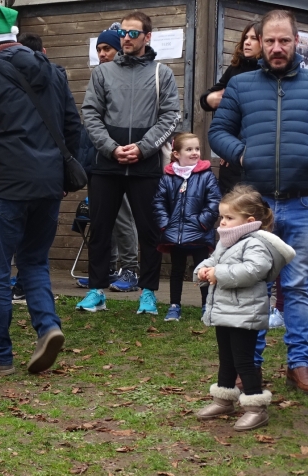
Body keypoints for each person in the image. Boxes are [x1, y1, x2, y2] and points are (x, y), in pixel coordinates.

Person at [0, 4, 82, 375]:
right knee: (34, 262)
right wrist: (62, 176)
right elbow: (73, 128)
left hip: (7, 187)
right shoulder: (55, 73)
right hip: (48, 186)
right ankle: (48, 326)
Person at [208, 9, 308, 394]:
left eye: (284, 40)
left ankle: (299, 363)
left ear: (296, 40)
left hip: (302, 203)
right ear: (260, 43)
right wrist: (244, 154)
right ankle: (247, 367)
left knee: (298, 287)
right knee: (251, 288)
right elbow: (219, 131)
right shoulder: (241, 85)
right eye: (270, 41)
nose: (277, 48)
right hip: (256, 208)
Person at [77, 11, 181, 314]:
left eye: (133, 33)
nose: (126, 38)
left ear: (147, 37)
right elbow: (90, 114)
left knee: (150, 231)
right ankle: (97, 290)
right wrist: (111, 148)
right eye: (123, 32)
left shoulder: (163, 74)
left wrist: (143, 148)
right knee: (100, 228)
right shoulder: (103, 73)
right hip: (106, 164)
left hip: (145, 165)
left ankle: (148, 293)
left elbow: (170, 117)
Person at [194, 185, 294, 431]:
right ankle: (224, 399)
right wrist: (204, 269)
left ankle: (255, 407)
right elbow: (214, 260)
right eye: (222, 217)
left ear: (249, 221)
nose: (223, 222)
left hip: (245, 313)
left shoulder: (256, 244)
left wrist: (219, 273)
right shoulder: (227, 241)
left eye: (229, 218)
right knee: (226, 358)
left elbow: (253, 271)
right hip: (225, 312)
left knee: (244, 361)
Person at [74, 23, 139, 291]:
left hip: (121, 158)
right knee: (101, 218)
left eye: (107, 48)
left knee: (122, 217)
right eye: (99, 49)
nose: (102, 54)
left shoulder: (126, 79)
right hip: (95, 159)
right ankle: (107, 269)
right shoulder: (98, 77)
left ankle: (131, 270)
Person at [153, 133, 221, 321]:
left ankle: (206, 305)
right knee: (177, 269)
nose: (194, 153)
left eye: (197, 149)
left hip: (199, 233)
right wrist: (166, 224)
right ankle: (175, 305)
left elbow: (214, 202)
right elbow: (159, 203)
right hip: (175, 234)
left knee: (203, 271)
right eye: (189, 149)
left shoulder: (206, 176)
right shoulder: (168, 178)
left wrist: (202, 222)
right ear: (176, 153)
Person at [200, 21, 261, 195]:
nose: (247, 42)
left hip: (256, 154)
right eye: (245, 38)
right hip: (231, 159)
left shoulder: (268, 73)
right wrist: (210, 99)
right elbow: (208, 98)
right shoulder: (236, 69)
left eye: (253, 38)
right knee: (231, 208)